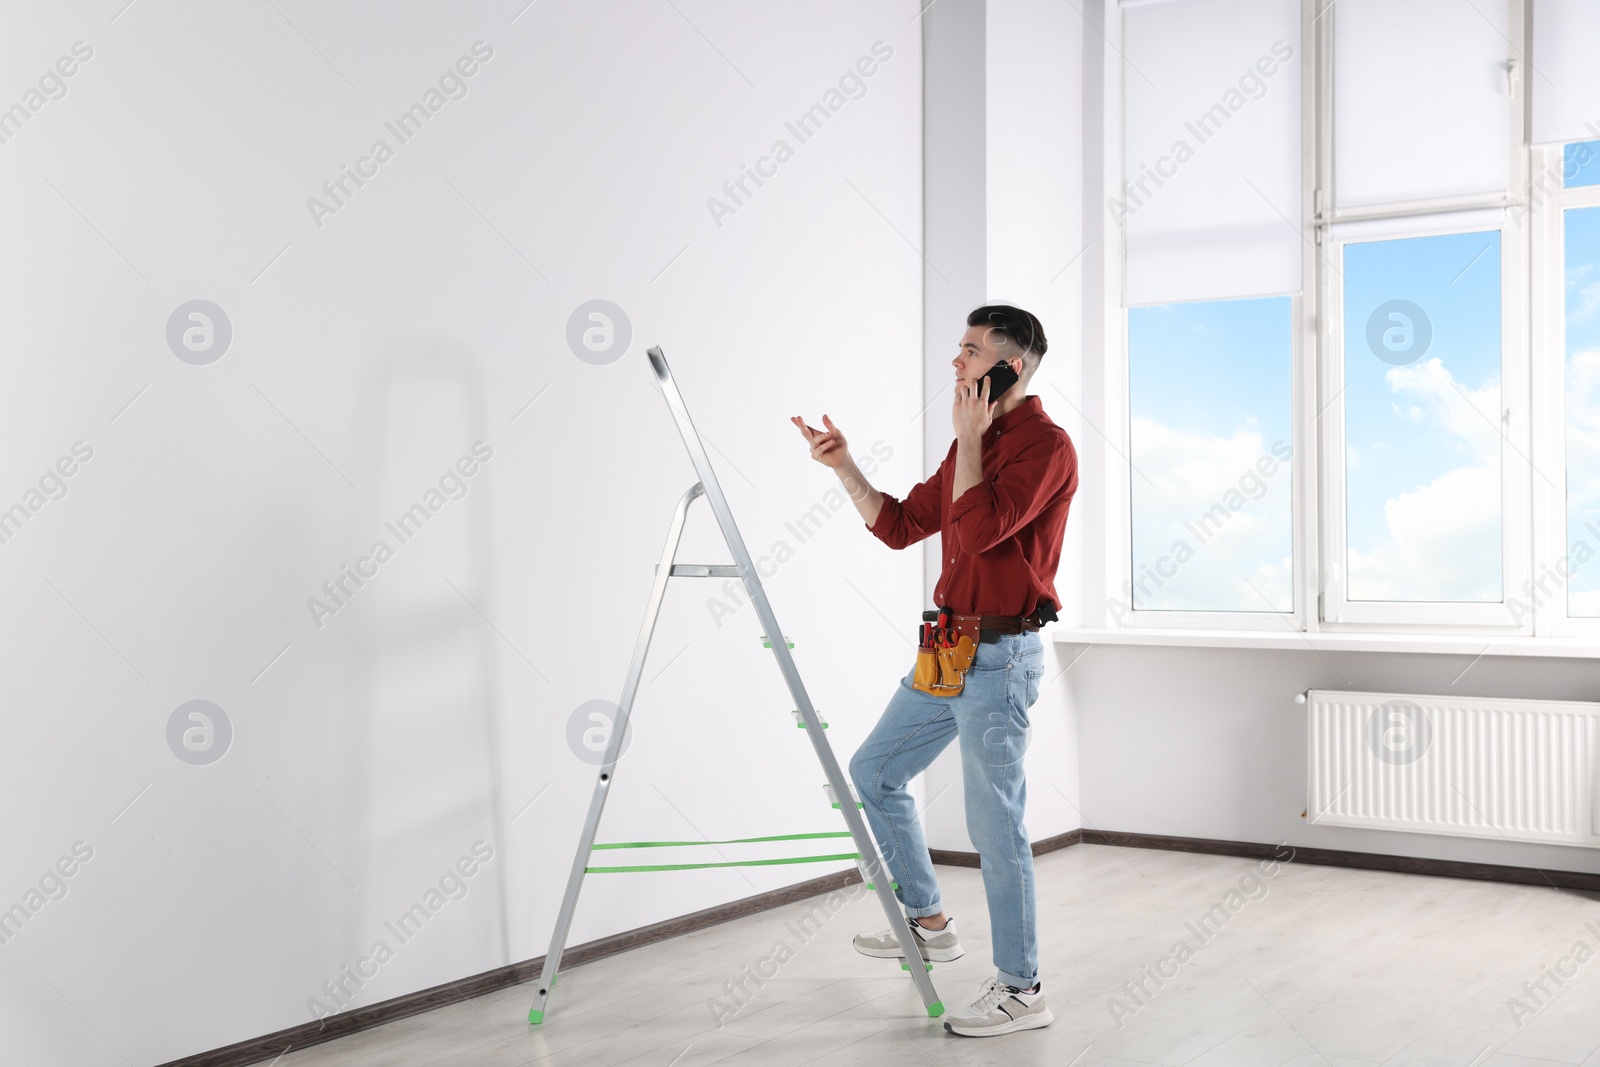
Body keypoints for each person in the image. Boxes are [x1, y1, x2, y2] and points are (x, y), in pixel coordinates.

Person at [790, 304, 1078, 1038]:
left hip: (999, 659)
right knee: (873, 770)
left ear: (1018, 364)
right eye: (958, 349)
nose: (957, 362)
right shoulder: (971, 446)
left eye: (973, 351)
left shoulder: (1045, 446)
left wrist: (971, 441)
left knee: (996, 826)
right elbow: (898, 526)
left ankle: (1023, 988)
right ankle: (929, 919)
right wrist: (842, 464)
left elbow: (981, 532)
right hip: (945, 651)